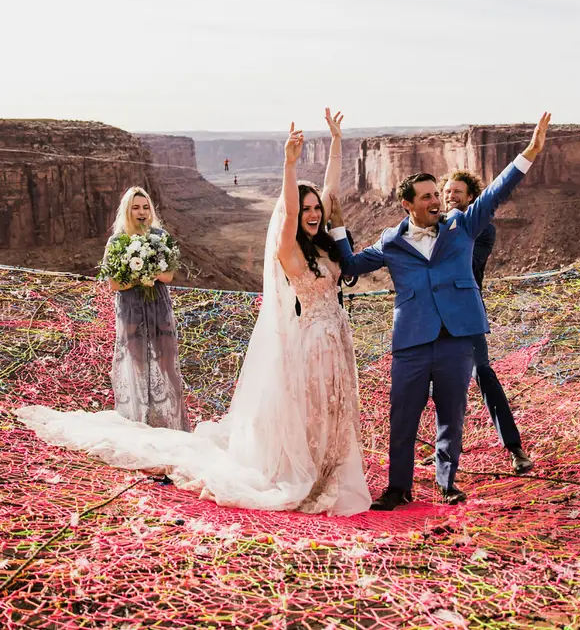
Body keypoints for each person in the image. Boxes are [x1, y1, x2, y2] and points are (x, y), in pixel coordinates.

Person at [15, 110, 370, 516]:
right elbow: (289, 214)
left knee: (334, 410)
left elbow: (331, 194)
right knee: (313, 410)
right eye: (306, 208)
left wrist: (337, 142)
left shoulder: (322, 243)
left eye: (315, 209)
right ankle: (308, 474)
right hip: (311, 344)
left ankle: (329, 470)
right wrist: (289, 164)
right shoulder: (289, 252)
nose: (312, 213)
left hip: (336, 341)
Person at [330, 113, 551, 509]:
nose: (438, 201)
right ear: (407, 204)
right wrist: (335, 227)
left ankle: (447, 482)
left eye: (438, 194)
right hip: (412, 338)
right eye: (428, 196)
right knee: (403, 416)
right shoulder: (391, 242)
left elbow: (496, 192)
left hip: (457, 336)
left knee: (452, 413)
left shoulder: (463, 226)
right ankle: (398, 488)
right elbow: (351, 266)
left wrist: (529, 154)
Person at [440, 171, 533, 474]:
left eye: (457, 192)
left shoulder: (483, 231)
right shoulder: (431, 230)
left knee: (483, 373)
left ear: (470, 198)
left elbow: (469, 265)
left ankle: (515, 448)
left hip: (466, 315)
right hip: (435, 316)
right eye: (447, 191)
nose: (450, 196)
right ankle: (445, 448)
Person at [106, 187, 189, 431]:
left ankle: (174, 421)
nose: (141, 212)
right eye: (136, 207)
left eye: (145, 207)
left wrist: (150, 274)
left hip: (158, 306)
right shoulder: (117, 241)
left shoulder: (161, 236)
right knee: (137, 365)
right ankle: (139, 422)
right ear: (127, 211)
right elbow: (113, 283)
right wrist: (138, 277)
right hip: (131, 308)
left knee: (166, 363)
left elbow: (169, 275)